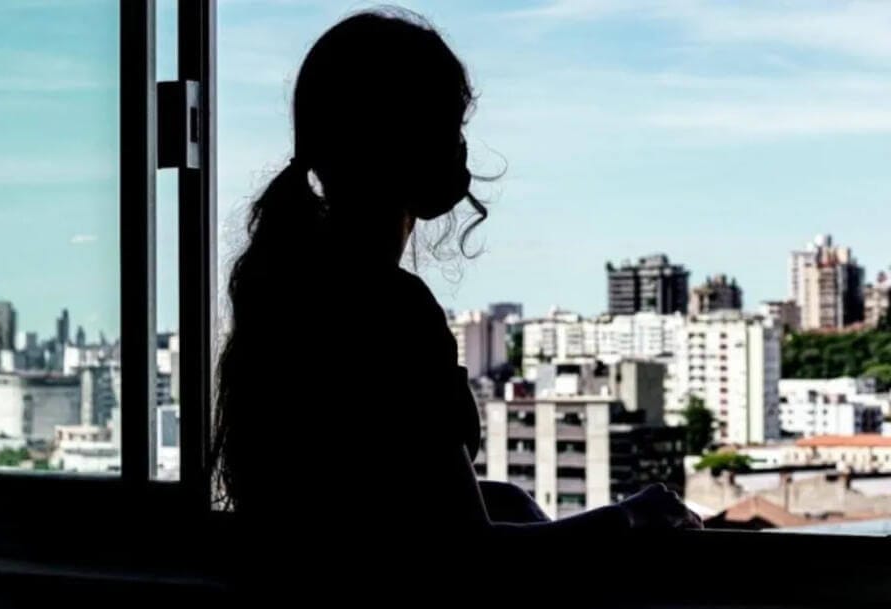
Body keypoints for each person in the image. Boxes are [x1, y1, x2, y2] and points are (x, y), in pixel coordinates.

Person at [211, 7, 701, 560]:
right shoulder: (389, 309)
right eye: (449, 125)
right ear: (401, 141)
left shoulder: (295, 289)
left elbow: (384, 508)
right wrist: (633, 515)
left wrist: (511, 503)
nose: (461, 147)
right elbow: (467, 557)